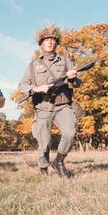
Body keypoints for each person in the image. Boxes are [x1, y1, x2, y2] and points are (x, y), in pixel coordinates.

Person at [17, 24, 81, 178]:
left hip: (63, 104)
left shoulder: (66, 61)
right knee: (44, 142)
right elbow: (22, 86)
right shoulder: (33, 65)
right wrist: (37, 89)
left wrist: (74, 78)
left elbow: (78, 84)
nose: (50, 43)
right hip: (43, 106)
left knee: (70, 133)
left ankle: (59, 161)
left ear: (56, 43)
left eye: (53, 40)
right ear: (41, 44)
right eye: (47, 40)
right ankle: (43, 169)